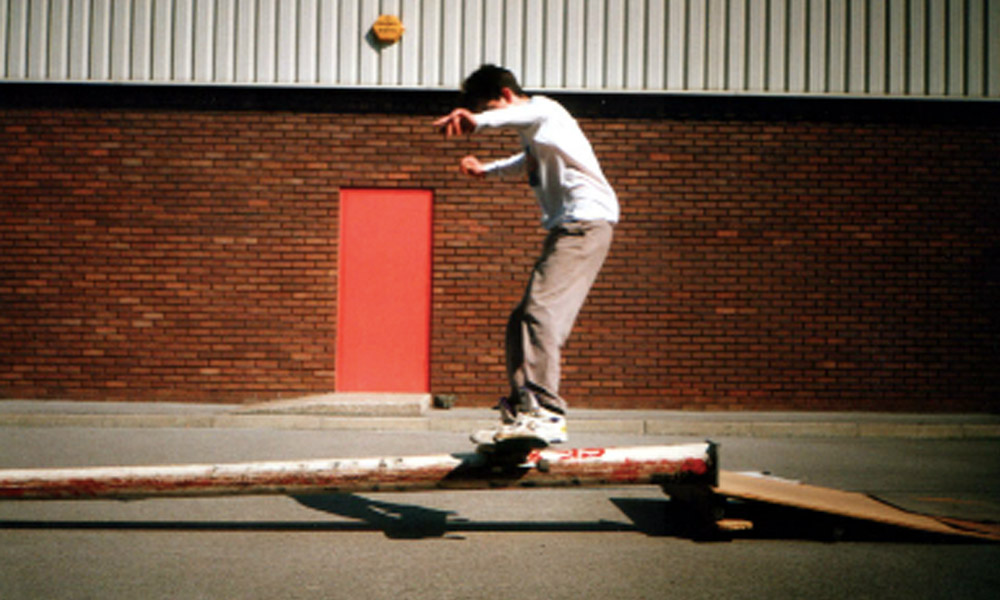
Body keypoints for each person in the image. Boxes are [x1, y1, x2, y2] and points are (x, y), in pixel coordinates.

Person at [434, 64, 619, 445]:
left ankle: (546, 412)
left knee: (540, 311)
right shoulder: (537, 137)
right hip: (570, 228)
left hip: (584, 222)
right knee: (521, 317)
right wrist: (486, 170)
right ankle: (524, 408)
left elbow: (525, 112)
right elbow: (524, 164)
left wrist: (479, 121)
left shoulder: (546, 111)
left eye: (490, 107)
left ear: (504, 95)